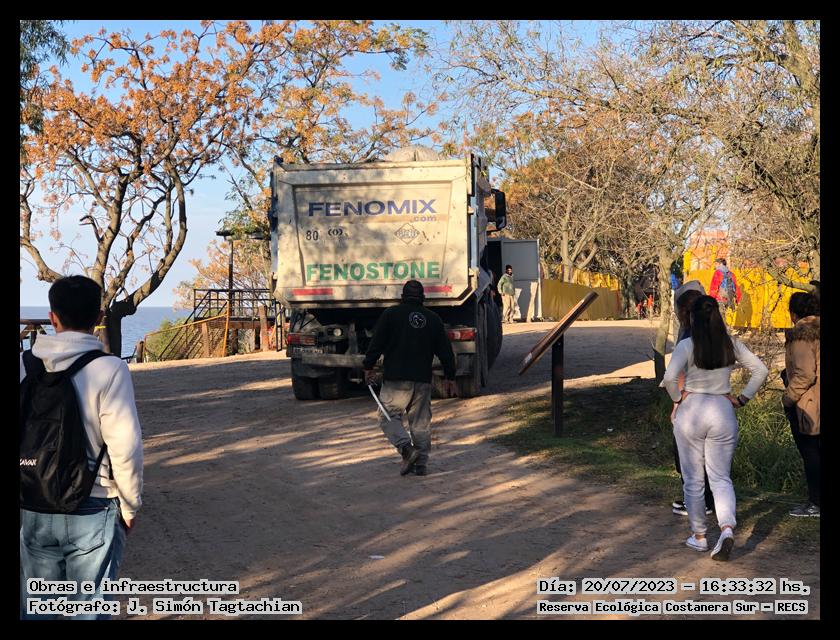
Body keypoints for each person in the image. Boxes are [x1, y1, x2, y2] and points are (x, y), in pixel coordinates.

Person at [20, 276, 144, 619]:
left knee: (39, 607)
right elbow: (125, 446)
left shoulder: (26, 365)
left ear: (52, 317)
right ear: (99, 317)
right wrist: (130, 505)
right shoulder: (110, 369)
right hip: (93, 503)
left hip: (34, 501)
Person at [662, 295, 768, 561]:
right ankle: (727, 528)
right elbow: (761, 370)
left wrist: (678, 399)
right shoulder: (731, 343)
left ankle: (699, 536)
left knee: (693, 480)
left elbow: (669, 377)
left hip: (692, 411)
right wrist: (742, 398)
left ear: (692, 317)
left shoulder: (687, 345)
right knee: (721, 478)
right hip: (723, 410)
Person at [363, 280, 458, 476]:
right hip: (422, 380)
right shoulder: (433, 319)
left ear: (402, 297)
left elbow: (377, 343)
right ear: (423, 298)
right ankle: (421, 465)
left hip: (396, 379)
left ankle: (406, 449)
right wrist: (450, 377)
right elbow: (446, 352)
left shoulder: (391, 314)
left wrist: (368, 366)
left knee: (387, 416)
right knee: (420, 422)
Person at [666, 287, 715, 518]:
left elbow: (676, 376)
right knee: (710, 459)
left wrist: (676, 403)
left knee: (687, 457)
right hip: (715, 404)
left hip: (691, 404)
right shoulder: (716, 333)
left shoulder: (687, 337)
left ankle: (696, 503)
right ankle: (711, 502)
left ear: (685, 312)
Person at [783, 292, 820, 518]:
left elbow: (805, 374)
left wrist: (787, 398)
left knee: (811, 453)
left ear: (793, 314)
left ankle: (815, 502)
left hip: (810, 403)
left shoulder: (802, 336)